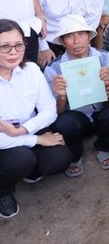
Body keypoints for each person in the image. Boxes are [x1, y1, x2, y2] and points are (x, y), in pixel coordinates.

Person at [0, 19, 71, 219]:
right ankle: (3, 191)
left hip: (26, 129)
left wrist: (22, 131)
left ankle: (27, 170)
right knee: (22, 158)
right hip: (4, 144)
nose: (13, 52)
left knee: (60, 158)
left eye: (18, 45)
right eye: (4, 46)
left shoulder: (30, 70)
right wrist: (37, 139)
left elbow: (49, 111)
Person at [45, 15, 109, 177]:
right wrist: (61, 97)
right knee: (63, 122)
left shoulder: (106, 58)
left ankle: (104, 145)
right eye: (69, 36)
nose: (76, 41)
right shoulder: (54, 69)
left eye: (81, 34)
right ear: (62, 41)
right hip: (77, 121)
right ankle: (75, 154)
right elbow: (54, 114)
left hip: (102, 114)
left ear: (89, 37)